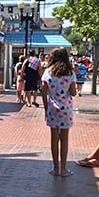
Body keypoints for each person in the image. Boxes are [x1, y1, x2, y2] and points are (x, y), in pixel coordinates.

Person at [42, 48, 77, 177]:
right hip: (66, 109)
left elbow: (43, 92)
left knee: (54, 139)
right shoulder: (70, 73)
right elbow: (73, 92)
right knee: (64, 139)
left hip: (52, 108)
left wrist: (46, 108)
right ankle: (63, 169)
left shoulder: (48, 72)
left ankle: (55, 168)